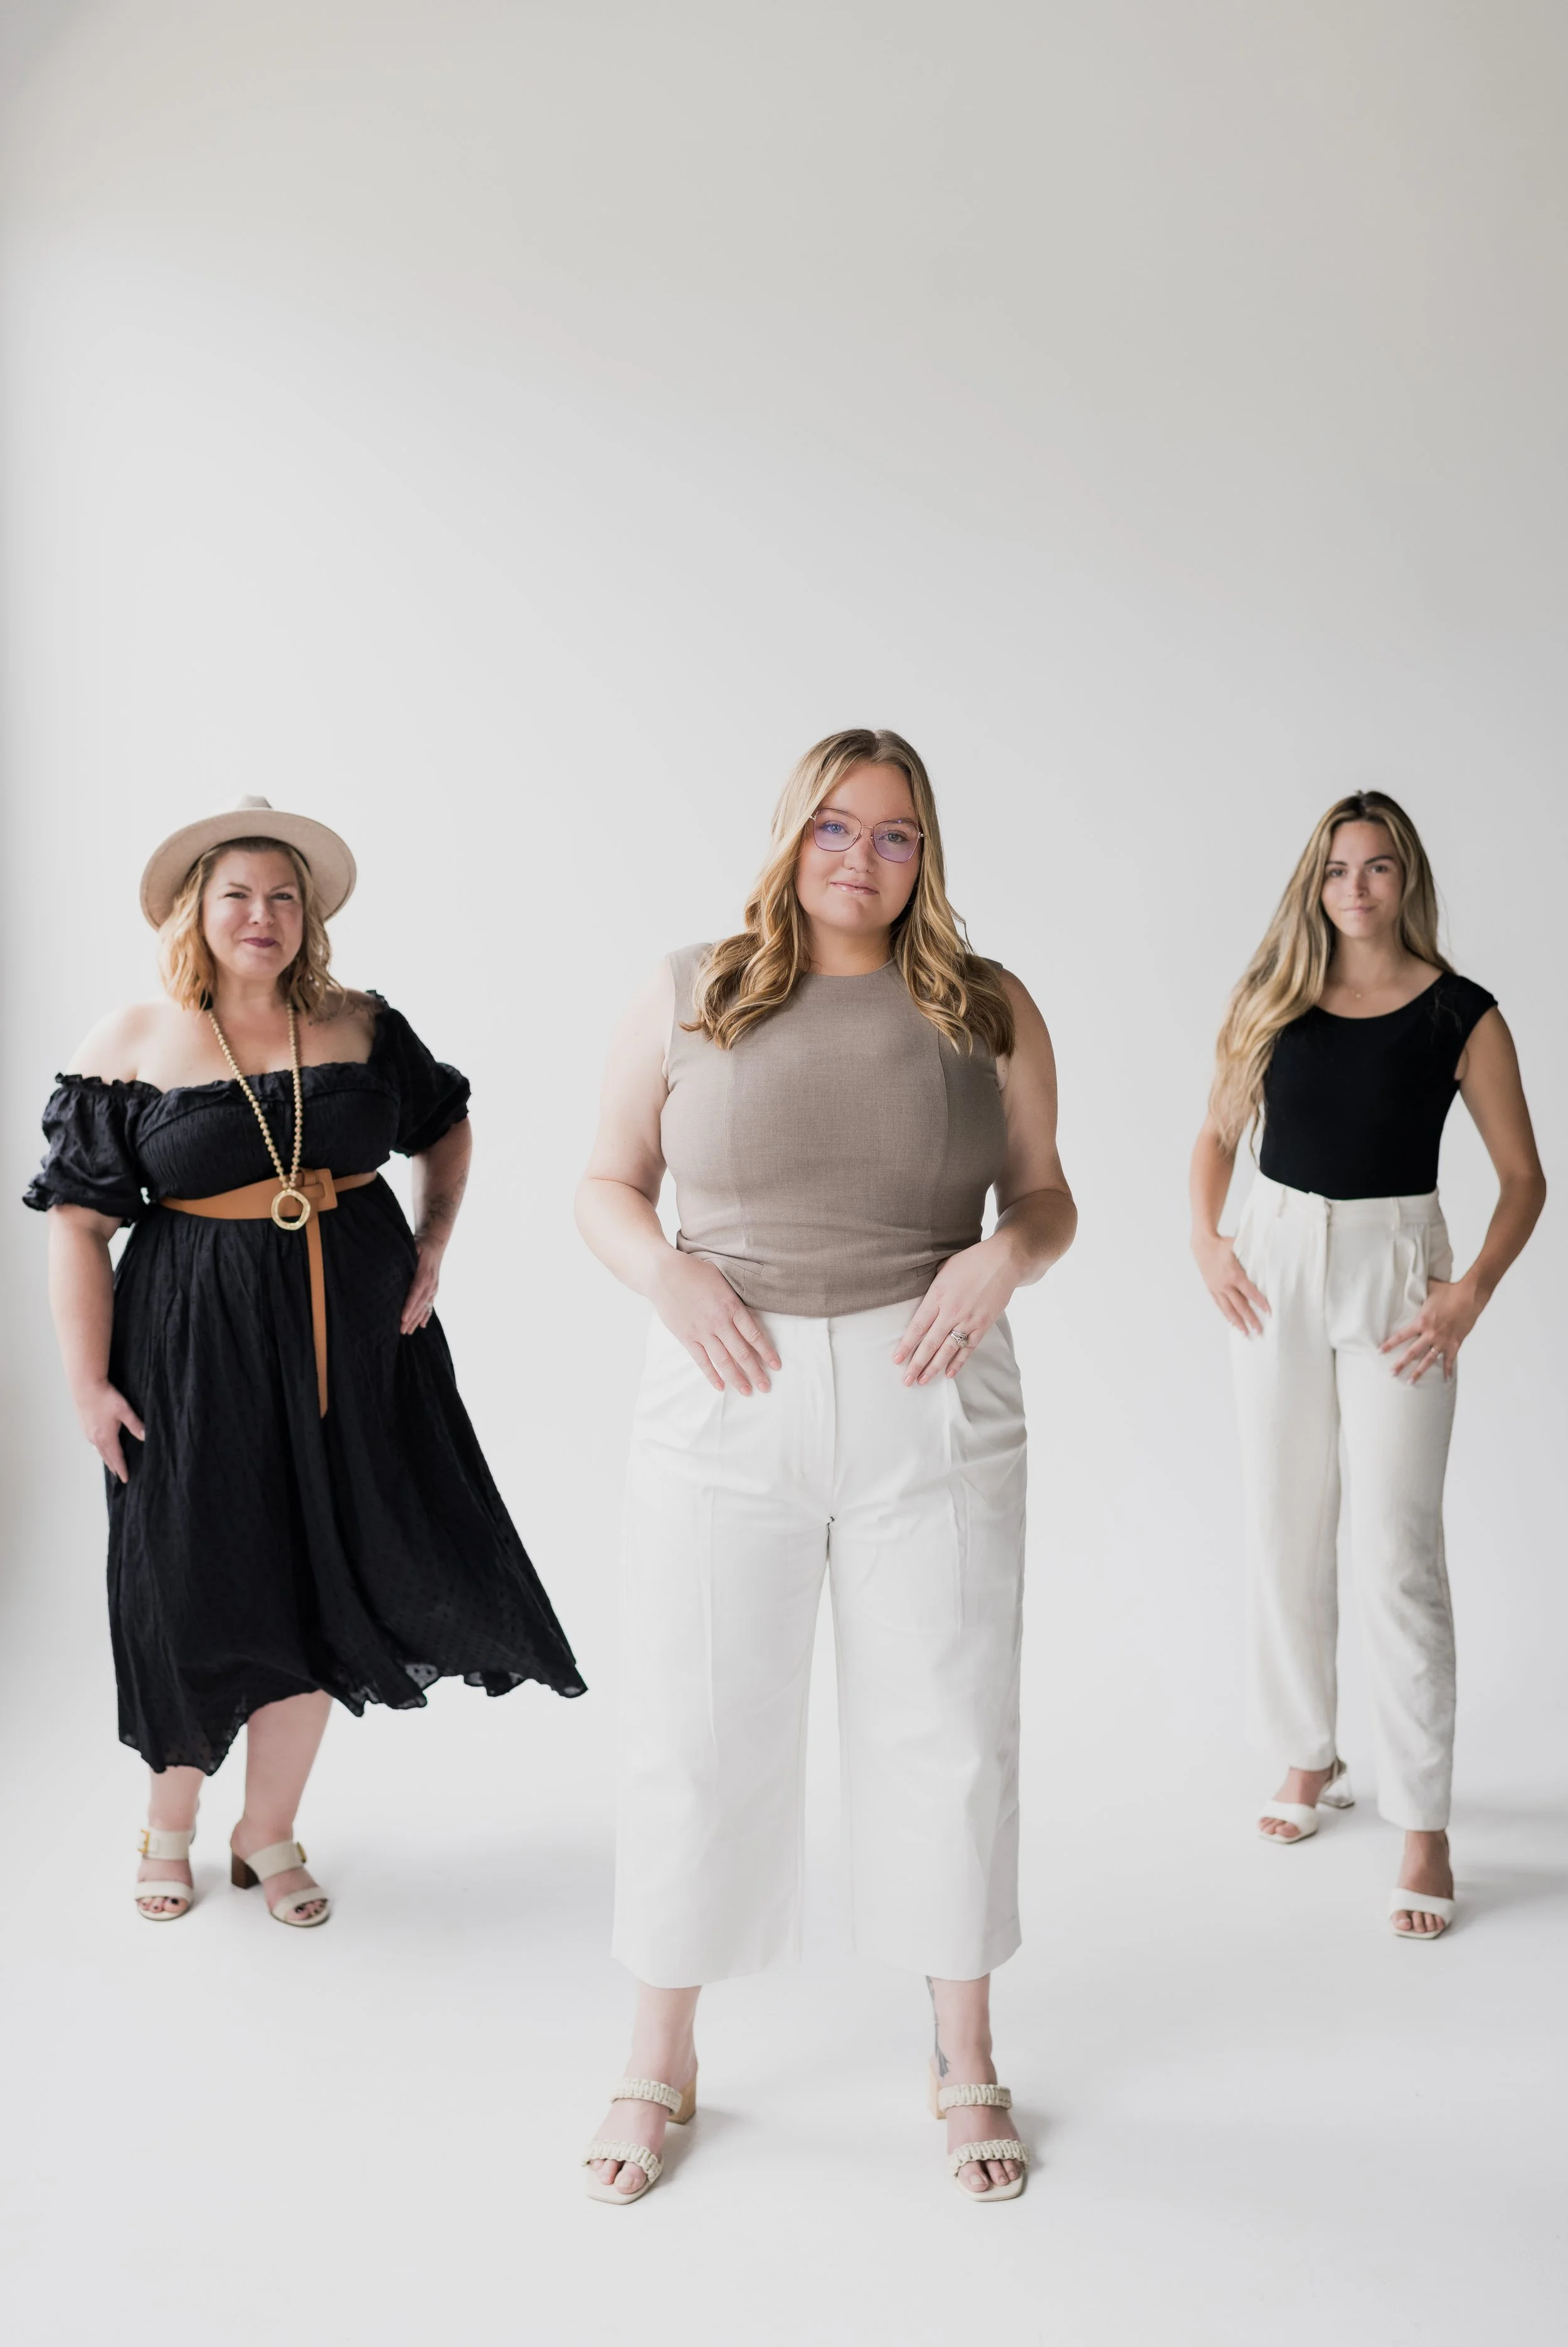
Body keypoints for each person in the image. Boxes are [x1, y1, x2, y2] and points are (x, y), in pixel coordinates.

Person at [574, 729, 1076, 2200]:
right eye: (837, 829)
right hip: (726, 1382)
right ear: (792, 834)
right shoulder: (692, 986)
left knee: (953, 1722)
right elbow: (605, 1179)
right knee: (696, 1721)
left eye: (898, 835)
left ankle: (965, 2049)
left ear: (929, 854)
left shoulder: (985, 1004)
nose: (863, 860)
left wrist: (1003, 1254)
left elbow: (1043, 1195)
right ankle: (657, 2054)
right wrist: (665, 1277)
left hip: (932, 1384)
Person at [26, 795, 584, 1927]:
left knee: (325, 1574)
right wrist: (89, 1383)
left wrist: (431, 1241)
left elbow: (446, 1122)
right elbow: (79, 1224)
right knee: (187, 1579)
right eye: (237, 893)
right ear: (197, 908)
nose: (262, 914)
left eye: (284, 895)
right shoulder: (129, 1040)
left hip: (357, 1347)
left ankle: (267, 1831)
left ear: (309, 915)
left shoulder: (360, 1021)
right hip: (191, 1350)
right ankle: (167, 1824)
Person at [1189, 792, 1544, 1938]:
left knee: (1397, 1548)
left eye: (1378, 867)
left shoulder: (1462, 1013)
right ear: (1316, 880)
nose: (1356, 887)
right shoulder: (1271, 998)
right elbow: (1214, 1135)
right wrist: (1209, 1239)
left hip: (1400, 1271)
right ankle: (1307, 1754)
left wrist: (1470, 1292)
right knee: (1285, 1519)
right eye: (1338, 867)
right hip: (1278, 1259)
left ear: (1407, 881)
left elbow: (1524, 1175)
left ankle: (1425, 1821)